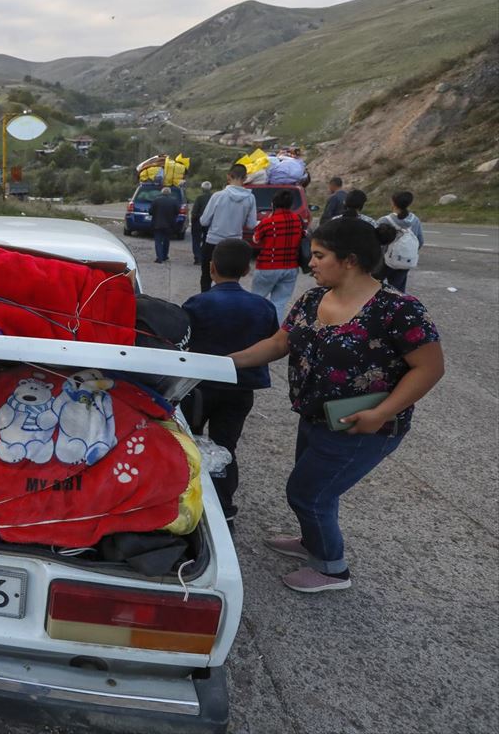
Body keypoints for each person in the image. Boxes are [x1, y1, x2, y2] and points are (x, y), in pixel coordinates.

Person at [230, 218, 444, 593]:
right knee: (312, 486)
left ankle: (332, 569)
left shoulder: (399, 309)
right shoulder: (313, 298)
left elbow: (429, 368)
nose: (310, 263)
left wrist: (381, 413)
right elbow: (280, 344)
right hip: (316, 415)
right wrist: (227, 360)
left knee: (309, 493)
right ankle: (313, 542)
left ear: (349, 259)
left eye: (319, 255)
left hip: (364, 425)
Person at [181, 239, 278, 525]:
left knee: (190, 440)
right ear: (247, 270)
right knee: (226, 445)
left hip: (200, 389)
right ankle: (224, 507)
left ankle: (188, 497)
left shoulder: (198, 303)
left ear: (211, 268)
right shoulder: (264, 307)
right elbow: (271, 342)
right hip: (240, 390)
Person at [198, 163, 256, 292]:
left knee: (207, 277)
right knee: (231, 280)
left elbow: (204, 221)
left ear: (229, 176)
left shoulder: (218, 196)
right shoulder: (250, 198)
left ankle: (206, 303)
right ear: (245, 178)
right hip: (235, 244)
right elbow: (252, 225)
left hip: (213, 242)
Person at [251, 189, 304, 322]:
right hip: (291, 267)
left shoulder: (268, 222)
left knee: (258, 300)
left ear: (273, 204)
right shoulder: (298, 220)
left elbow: (256, 239)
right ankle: (274, 332)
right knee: (279, 303)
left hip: (267, 266)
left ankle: (255, 328)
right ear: (291, 204)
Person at [376, 191, 424, 293]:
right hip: (405, 260)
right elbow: (420, 241)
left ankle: (377, 306)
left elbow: (376, 242)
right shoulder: (415, 220)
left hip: (384, 261)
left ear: (393, 203)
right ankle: (397, 307)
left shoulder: (384, 220)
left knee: (374, 286)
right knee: (398, 291)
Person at [150, 187, 181, 263]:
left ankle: (159, 258)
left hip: (157, 224)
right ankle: (164, 256)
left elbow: (150, 212)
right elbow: (177, 212)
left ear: (161, 192)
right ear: (169, 193)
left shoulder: (156, 200)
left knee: (158, 241)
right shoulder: (174, 201)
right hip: (169, 224)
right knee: (166, 241)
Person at [190, 180, 213, 264]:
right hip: (210, 222)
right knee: (206, 240)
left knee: (196, 240)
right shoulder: (213, 197)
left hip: (198, 221)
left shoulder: (199, 198)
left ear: (202, 188)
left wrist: (192, 220)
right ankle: (204, 256)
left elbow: (194, 211)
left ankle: (197, 257)